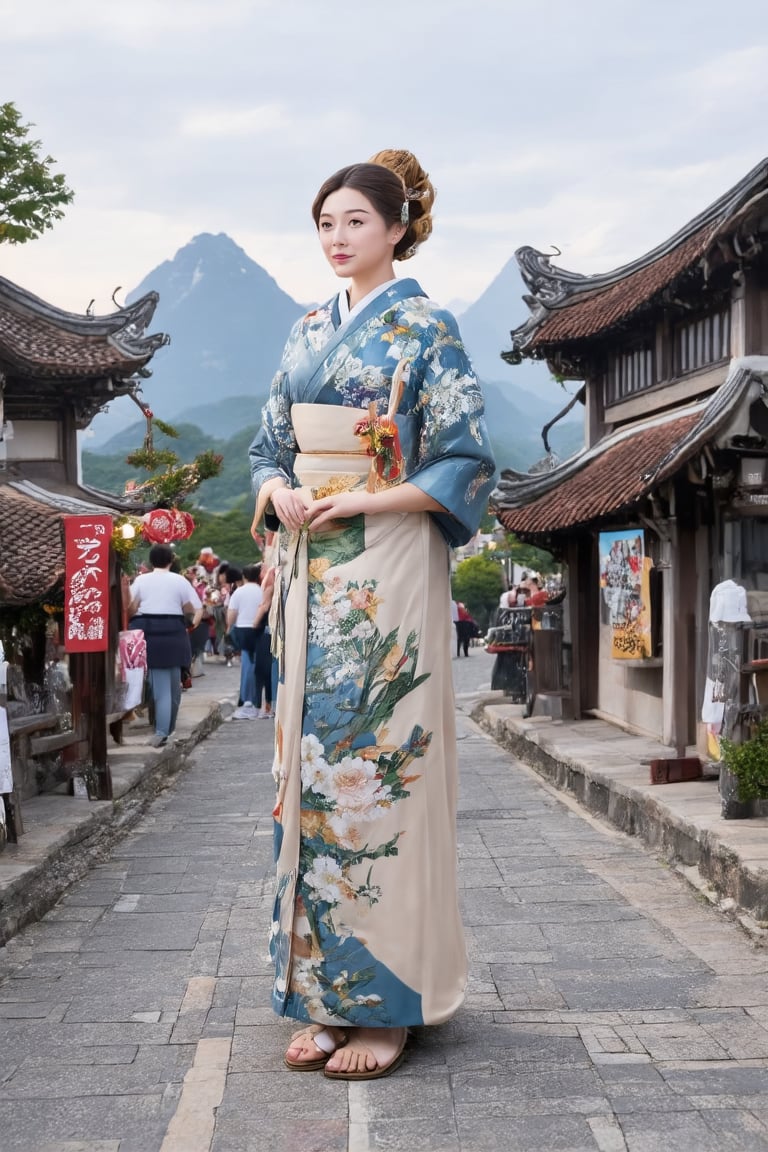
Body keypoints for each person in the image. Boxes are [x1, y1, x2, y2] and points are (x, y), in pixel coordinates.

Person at [248, 149, 496, 1080]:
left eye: (354, 221)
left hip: (387, 563)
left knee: (380, 763)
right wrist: (280, 490)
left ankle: (390, 1006)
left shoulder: (427, 327)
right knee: (304, 774)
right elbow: (267, 445)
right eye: (325, 223)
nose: (337, 239)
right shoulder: (307, 330)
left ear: (397, 228)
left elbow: (465, 459)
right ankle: (319, 995)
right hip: (313, 559)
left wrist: (362, 500)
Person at [126, 543, 203, 747]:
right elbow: (196, 608)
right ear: (171, 560)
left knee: (161, 689)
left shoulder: (142, 580)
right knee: (173, 686)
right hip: (176, 632)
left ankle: (161, 732)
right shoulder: (179, 580)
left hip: (151, 632)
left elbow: (131, 607)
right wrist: (190, 625)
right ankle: (168, 730)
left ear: (151, 561)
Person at [227, 564, 265, 719]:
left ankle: (247, 700)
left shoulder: (239, 592)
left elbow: (231, 614)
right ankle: (259, 701)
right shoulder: (262, 591)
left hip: (243, 628)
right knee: (259, 665)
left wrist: (229, 629)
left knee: (247, 664)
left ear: (244, 576)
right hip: (260, 628)